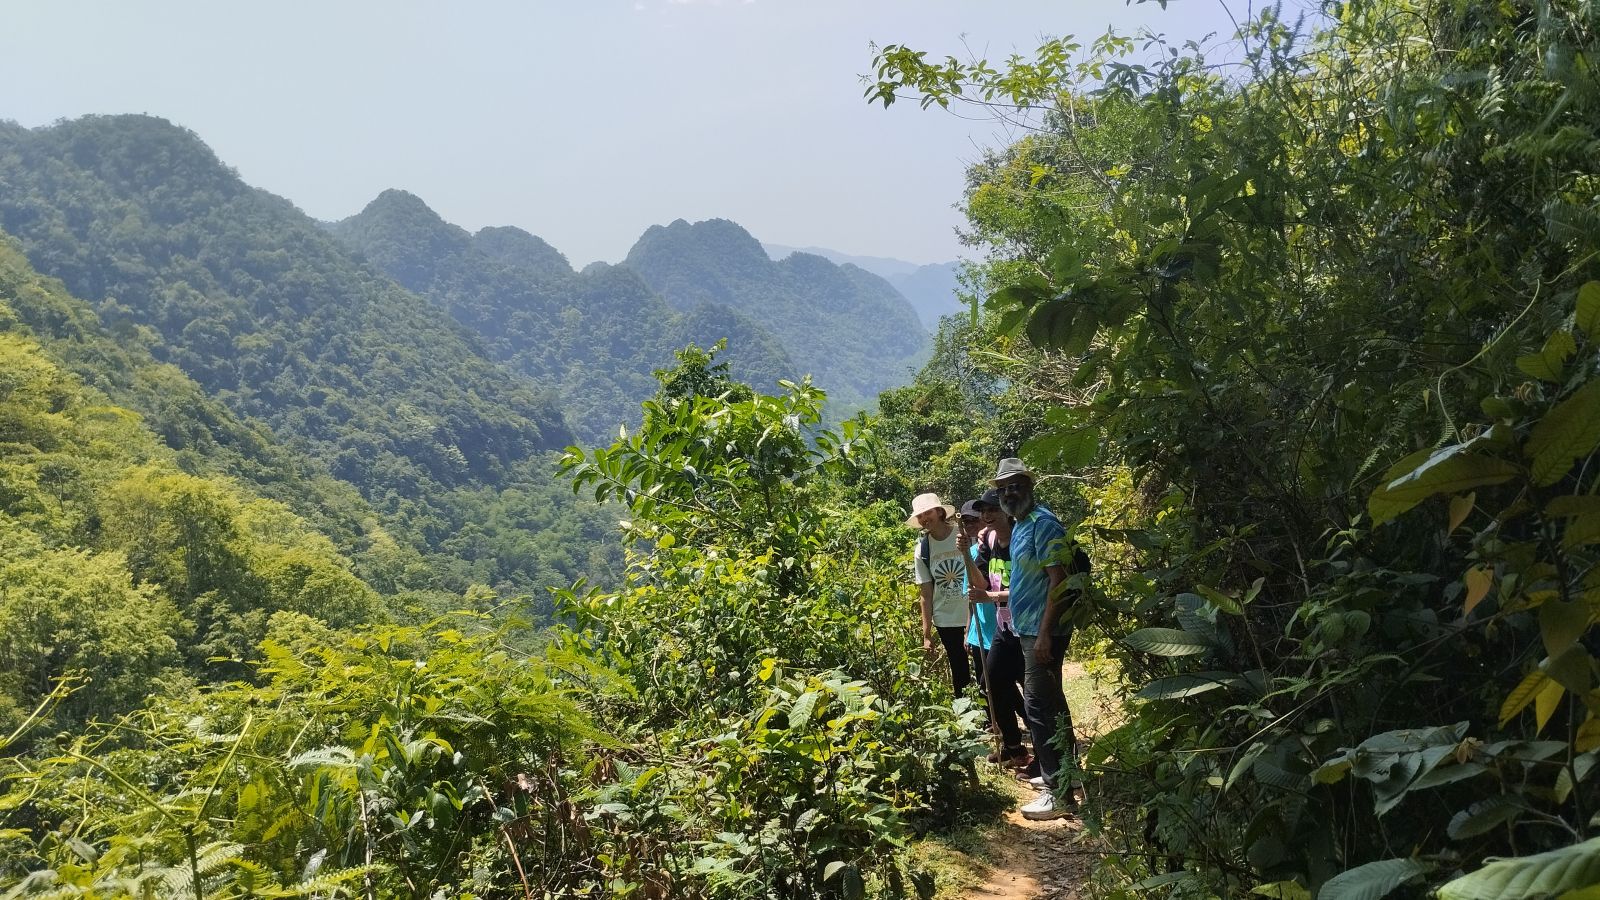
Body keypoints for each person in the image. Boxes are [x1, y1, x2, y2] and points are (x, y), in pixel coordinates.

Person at [991, 458, 1089, 821]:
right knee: (1051, 701)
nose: (1008, 494)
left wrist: (1046, 632)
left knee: (1038, 706)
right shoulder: (1020, 524)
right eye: (1002, 489)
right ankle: (1068, 774)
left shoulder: (1043, 523)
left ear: (1029, 486)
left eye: (1014, 486)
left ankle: (1057, 791)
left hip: (1042, 630)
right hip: (1029, 629)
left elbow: (1058, 580)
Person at [969, 488, 1031, 769]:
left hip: (1027, 627)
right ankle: (1014, 747)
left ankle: (1050, 752)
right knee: (990, 683)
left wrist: (990, 598)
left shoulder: (1021, 540)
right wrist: (965, 555)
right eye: (983, 511)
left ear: (1006, 511)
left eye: (992, 510)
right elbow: (981, 583)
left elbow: (1025, 588)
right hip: (1005, 627)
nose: (987, 515)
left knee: (1034, 693)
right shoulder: (989, 541)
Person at [907, 492, 975, 697]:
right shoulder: (923, 549)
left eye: (927, 512)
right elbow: (926, 594)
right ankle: (969, 718)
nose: (924, 518)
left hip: (973, 612)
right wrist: (926, 634)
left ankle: (1001, 716)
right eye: (920, 516)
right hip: (945, 619)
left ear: (939, 512)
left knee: (987, 668)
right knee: (959, 670)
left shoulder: (963, 536)